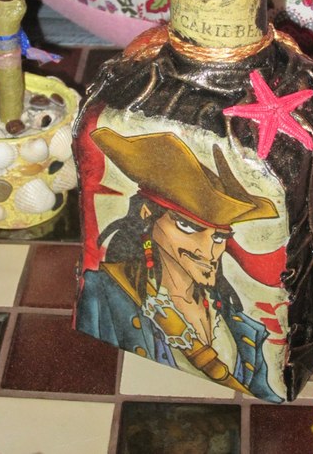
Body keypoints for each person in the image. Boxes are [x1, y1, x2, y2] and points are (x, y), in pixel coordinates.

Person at [76, 127, 283, 403]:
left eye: (219, 237)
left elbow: (268, 397)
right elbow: (90, 365)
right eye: (188, 227)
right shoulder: (104, 293)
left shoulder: (242, 328)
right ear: (147, 214)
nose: (208, 250)